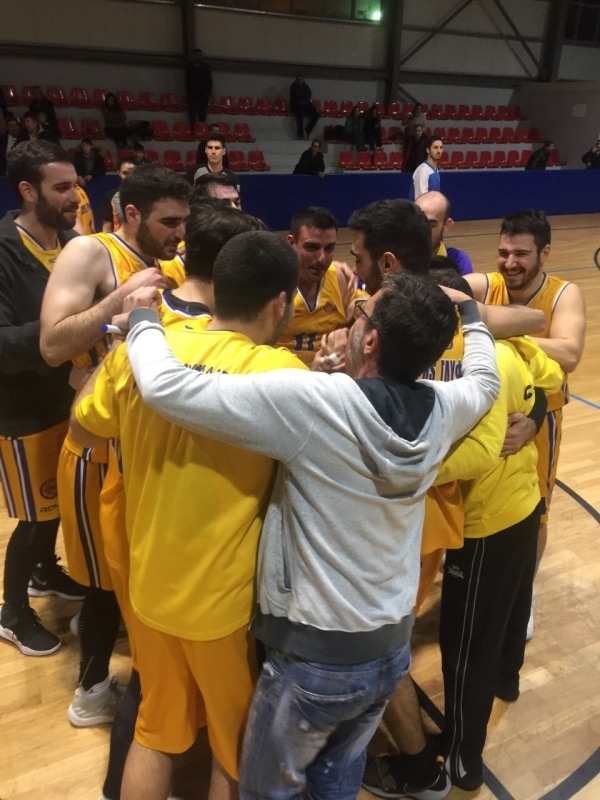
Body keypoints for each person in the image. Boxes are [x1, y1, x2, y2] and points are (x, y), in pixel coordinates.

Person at [123, 262, 500, 800]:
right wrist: (472, 316)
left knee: (266, 790)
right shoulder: (445, 406)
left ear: (369, 340)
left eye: (361, 311)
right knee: (336, 775)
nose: (353, 315)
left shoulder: (314, 403)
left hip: (316, 660)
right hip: (389, 647)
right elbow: (484, 380)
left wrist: (142, 321)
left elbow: (166, 387)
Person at [71, 230, 306, 800]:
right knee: (234, 746)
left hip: (149, 590)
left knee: (156, 732)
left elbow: (83, 426)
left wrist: (118, 355)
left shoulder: (146, 350)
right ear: (279, 303)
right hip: (218, 603)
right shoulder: (283, 374)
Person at [39, 165, 190, 729]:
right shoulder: (90, 253)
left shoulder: (173, 263)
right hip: (96, 445)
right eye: (168, 222)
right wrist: (117, 306)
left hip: (144, 441)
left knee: (132, 568)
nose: (179, 233)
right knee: (103, 579)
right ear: (131, 213)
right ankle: (90, 689)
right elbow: (52, 345)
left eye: (183, 221)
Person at [466, 210, 586, 640]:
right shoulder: (487, 285)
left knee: (537, 510)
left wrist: (502, 328)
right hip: (488, 411)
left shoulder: (563, 294)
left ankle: (524, 591)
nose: (509, 262)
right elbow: (436, 289)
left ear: (544, 253)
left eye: (520, 254)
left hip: (541, 416)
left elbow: (570, 354)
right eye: (503, 252)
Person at [0, 140, 86, 657]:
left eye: (76, 184)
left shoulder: (73, 244)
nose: (75, 196)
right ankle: (11, 611)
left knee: (57, 506)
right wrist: (64, 331)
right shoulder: (3, 250)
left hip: (68, 401)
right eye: (62, 187)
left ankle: (44, 573)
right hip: (21, 408)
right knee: (35, 516)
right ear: (28, 191)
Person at [276, 206, 356, 365]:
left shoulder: (339, 277)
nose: (321, 259)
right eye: (312, 247)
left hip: (330, 373)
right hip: (282, 375)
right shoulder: (273, 284)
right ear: (291, 243)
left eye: (329, 248)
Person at [415, 190, 473, 274]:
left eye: (431, 225)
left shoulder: (457, 260)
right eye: (417, 222)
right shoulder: (398, 258)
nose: (421, 230)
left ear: (446, 225)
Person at [101, 156, 136, 233]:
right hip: (118, 240)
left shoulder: (146, 195)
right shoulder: (110, 197)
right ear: (119, 173)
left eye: (132, 173)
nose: (128, 177)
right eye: (125, 173)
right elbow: (107, 226)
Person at [185, 48, 213, 127]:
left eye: (200, 55)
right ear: (194, 56)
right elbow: (187, 81)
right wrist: (188, 93)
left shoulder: (205, 67)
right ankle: (193, 130)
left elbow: (209, 80)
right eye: (197, 55)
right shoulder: (189, 66)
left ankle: (201, 129)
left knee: (202, 114)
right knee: (192, 114)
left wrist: (208, 93)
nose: (199, 56)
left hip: (203, 94)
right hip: (192, 94)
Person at [410, 135, 443, 200]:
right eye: (435, 147)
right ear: (428, 150)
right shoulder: (423, 170)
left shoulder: (435, 169)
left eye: (441, 147)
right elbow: (420, 200)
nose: (439, 151)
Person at [289, 73, 319, 140]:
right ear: (296, 79)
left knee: (316, 115)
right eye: (299, 79)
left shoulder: (306, 86)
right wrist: (303, 97)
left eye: (301, 79)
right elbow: (296, 97)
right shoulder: (293, 87)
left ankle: (307, 130)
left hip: (306, 104)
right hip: (296, 105)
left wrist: (303, 97)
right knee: (299, 116)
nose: (300, 81)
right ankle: (301, 135)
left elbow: (309, 95)